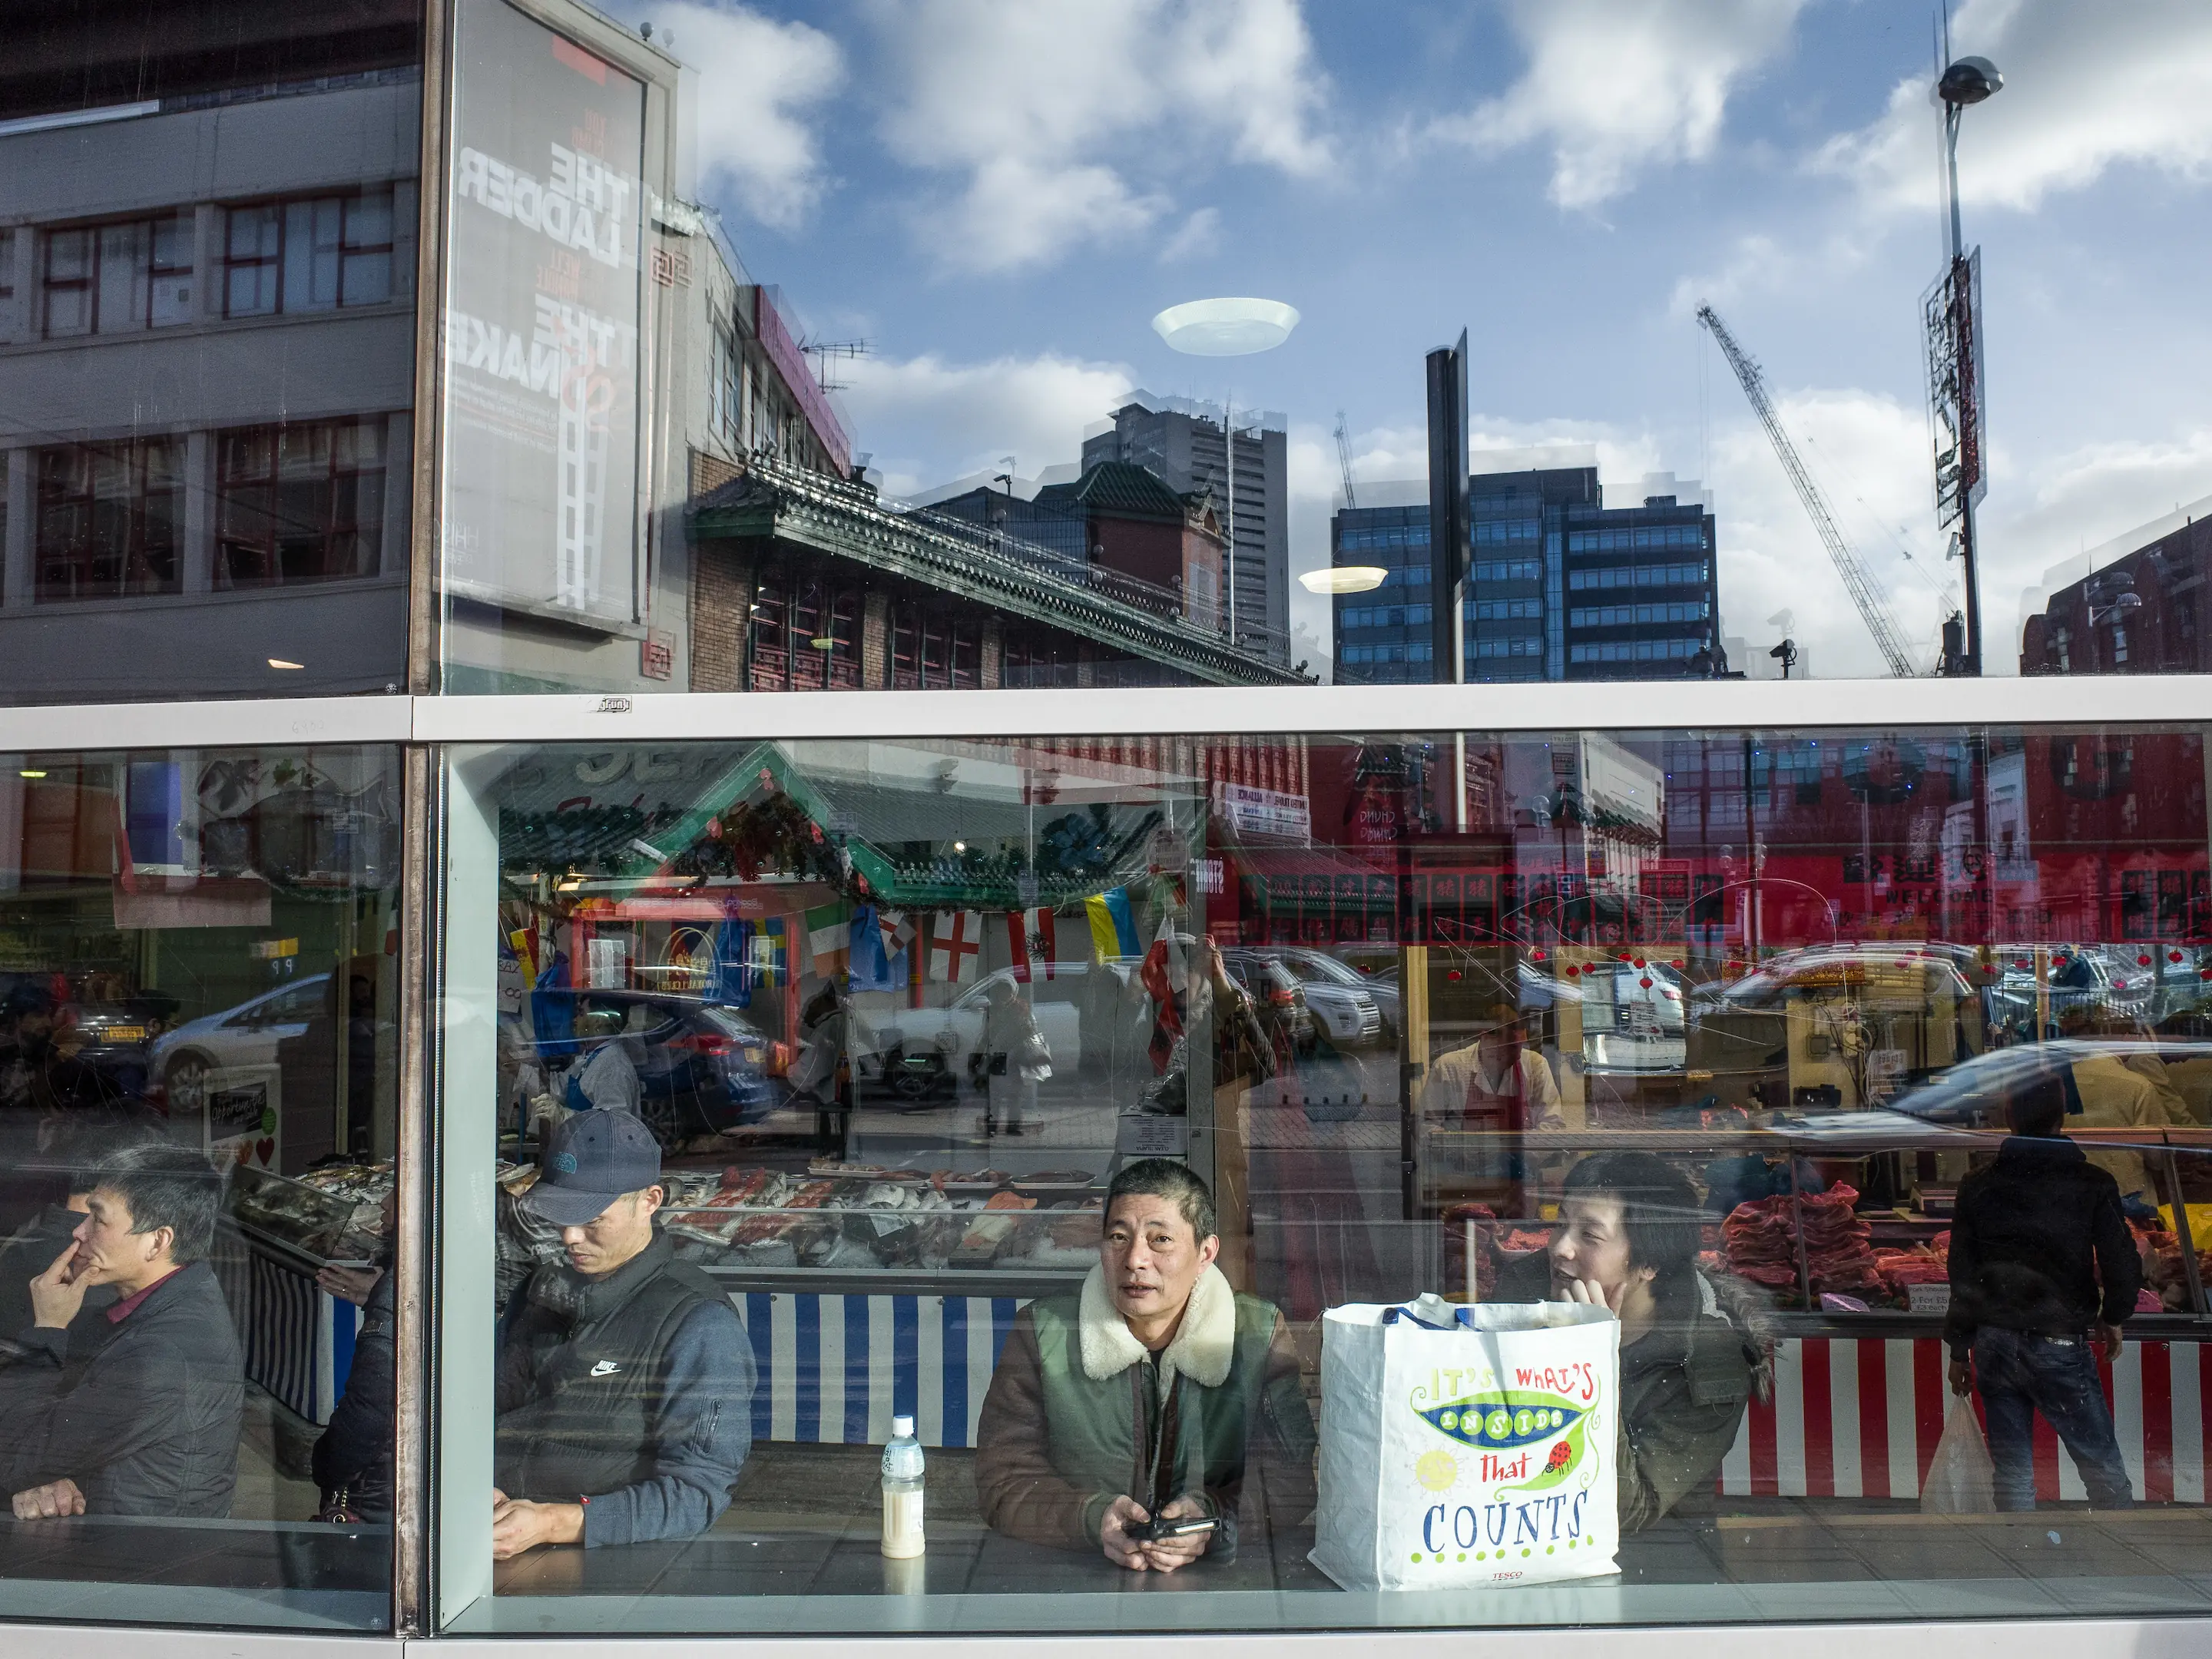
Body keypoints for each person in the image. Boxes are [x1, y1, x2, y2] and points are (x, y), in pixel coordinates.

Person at [974, 1158, 1315, 1571]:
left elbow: (1292, 1480)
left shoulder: (1256, 1333)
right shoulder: (1044, 1332)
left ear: (1205, 1252)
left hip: (1220, 1588)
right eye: (1119, 1237)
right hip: (1076, 1579)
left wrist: (1213, 1519)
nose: (1135, 1259)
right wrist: (1091, 1519)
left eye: (1160, 1240)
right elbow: (1003, 1481)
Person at [492, 1110, 755, 1558]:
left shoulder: (699, 1324)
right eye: (561, 1216)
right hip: (499, 1553)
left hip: (614, 1566)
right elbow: (488, 1418)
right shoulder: (537, 1294)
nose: (570, 1236)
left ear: (650, 1200)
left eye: (592, 1220)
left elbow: (698, 1493)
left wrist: (556, 1522)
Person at [1489, 1151, 1769, 1532]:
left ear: (1648, 1264)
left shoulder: (1704, 1357)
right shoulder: (1527, 1287)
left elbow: (1628, 1511)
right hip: (1513, 1534)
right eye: (1560, 1224)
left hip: (1656, 1565)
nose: (1559, 1248)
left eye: (1590, 1234)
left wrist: (1587, 1363)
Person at [3, 1143, 244, 1519]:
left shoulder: (160, 1354)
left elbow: (13, 1457)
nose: (78, 1232)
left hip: (132, 1556)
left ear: (158, 1241)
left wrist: (48, 1329)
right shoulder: (182, 1292)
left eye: (98, 1219)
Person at [1945, 1072, 2138, 1511]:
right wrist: (2114, 1316)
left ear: (2009, 1116)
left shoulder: (1977, 1184)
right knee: (2102, 1470)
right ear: (2062, 1115)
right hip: (2059, 1342)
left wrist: (1960, 1349)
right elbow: (2122, 1263)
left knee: (2013, 1476)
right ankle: (2129, 1556)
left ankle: (2020, 1561)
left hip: (1993, 1342)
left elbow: (1962, 1273)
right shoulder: (2091, 1182)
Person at [312, 1190, 398, 1522]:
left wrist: (325, 1463)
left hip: (376, 1491)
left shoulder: (405, 1284)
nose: (385, 1204)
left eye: (399, 1190)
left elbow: (372, 1406)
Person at [979, 975, 1048, 1137]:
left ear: (1014, 991)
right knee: (994, 1094)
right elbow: (985, 1033)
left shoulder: (1022, 1009)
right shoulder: (992, 1010)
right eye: (1002, 990)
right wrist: (980, 1052)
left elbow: (1032, 1031)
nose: (1005, 994)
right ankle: (992, 1126)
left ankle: (1013, 1126)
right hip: (997, 1054)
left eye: (1008, 991)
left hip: (1016, 1055)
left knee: (1015, 1094)